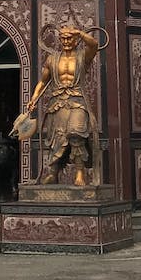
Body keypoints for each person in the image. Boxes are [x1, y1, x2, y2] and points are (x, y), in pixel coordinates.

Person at [24, 25, 102, 186]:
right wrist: (33, 98)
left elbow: (94, 45)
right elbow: (43, 82)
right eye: (63, 38)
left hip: (78, 100)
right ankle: (53, 173)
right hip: (58, 102)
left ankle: (80, 173)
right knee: (57, 138)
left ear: (75, 39)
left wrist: (79, 33)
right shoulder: (52, 59)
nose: (66, 41)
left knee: (76, 133)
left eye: (69, 38)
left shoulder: (83, 56)